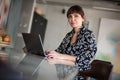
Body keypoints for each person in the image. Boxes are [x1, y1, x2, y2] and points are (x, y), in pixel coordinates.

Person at [45, 5, 97, 80]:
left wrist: (61, 56)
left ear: (83, 18)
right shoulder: (68, 35)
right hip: (62, 74)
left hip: (78, 75)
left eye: (76, 16)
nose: (72, 19)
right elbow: (59, 51)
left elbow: (87, 59)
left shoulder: (88, 34)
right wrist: (49, 53)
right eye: (70, 16)